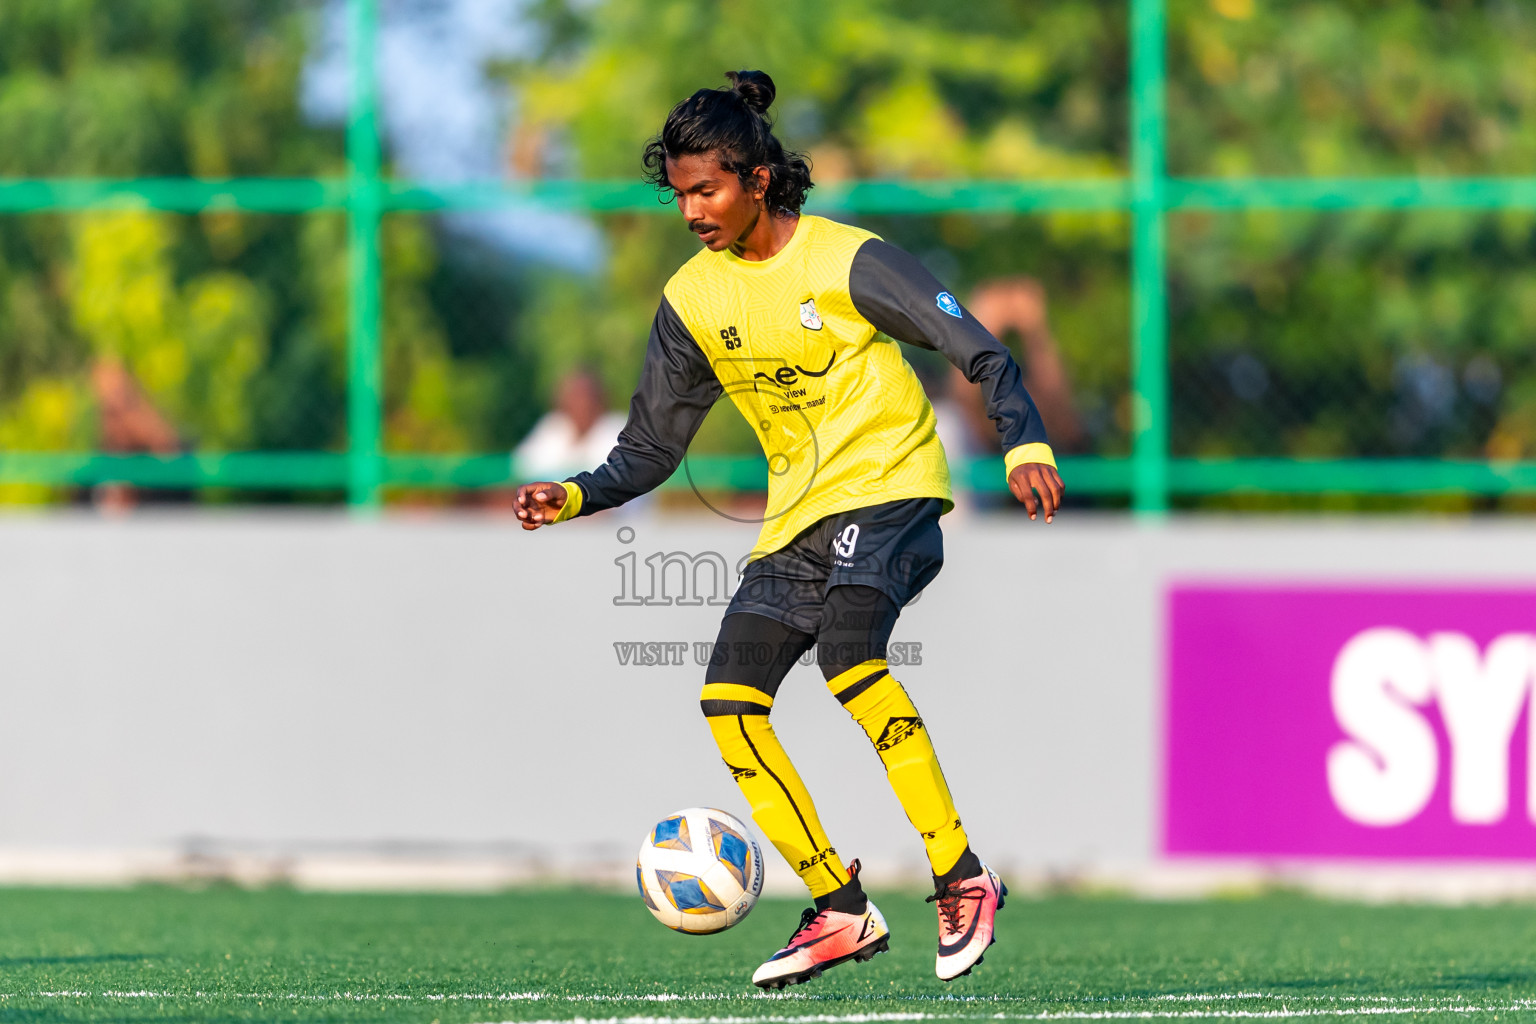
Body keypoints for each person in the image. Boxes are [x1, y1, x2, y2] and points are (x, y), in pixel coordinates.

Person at [514, 70, 1064, 988]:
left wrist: (1023, 441)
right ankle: (840, 908)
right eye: (680, 192)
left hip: (892, 491)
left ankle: (962, 879)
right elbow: (651, 447)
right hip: (797, 520)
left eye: (707, 190)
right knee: (729, 701)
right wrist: (572, 497)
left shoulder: (850, 261)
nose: (691, 210)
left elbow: (977, 343)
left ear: (758, 179)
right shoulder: (693, 298)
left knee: (851, 658)